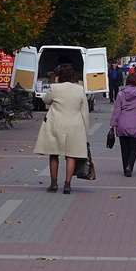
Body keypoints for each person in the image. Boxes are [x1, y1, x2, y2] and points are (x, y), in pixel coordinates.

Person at [34, 64, 90, 194]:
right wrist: (85, 129)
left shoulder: (54, 88)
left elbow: (45, 100)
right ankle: (67, 184)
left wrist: (55, 84)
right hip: (74, 126)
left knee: (54, 153)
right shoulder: (79, 89)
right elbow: (84, 111)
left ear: (58, 76)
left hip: (56, 124)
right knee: (71, 155)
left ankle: (54, 183)